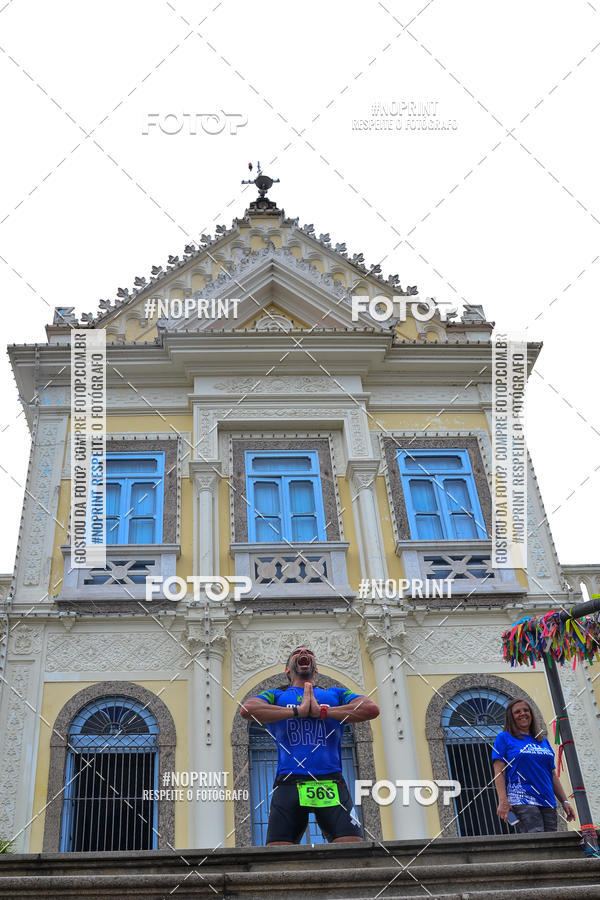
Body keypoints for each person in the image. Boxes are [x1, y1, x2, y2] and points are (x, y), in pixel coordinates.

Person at [240, 645, 379, 845]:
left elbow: (370, 708)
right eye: (297, 653)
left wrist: (323, 712)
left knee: (352, 849)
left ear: (316, 668)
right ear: (287, 670)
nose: (303, 654)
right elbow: (248, 709)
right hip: (289, 783)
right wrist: (298, 711)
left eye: (309, 653)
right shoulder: (275, 696)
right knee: (278, 857)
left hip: (330, 781)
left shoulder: (336, 693)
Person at [492, 698, 575, 833]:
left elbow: (552, 774)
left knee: (551, 841)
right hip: (521, 798)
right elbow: (499, 772)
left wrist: (565, 801)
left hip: (547, 800)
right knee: (536, 836)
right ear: (511, 717)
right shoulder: (504, 738)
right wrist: (503, 801)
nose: (523, 714)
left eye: (526, 710)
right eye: (517, 712)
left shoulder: (543, 741)